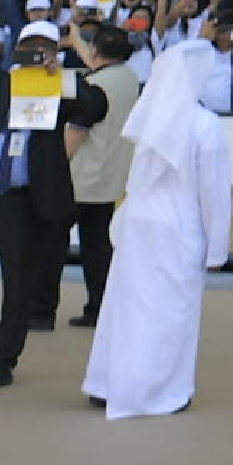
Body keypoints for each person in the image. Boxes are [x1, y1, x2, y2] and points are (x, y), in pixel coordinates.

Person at [0, 18, 99, 387]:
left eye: (45, 47)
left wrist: (63, 73)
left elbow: (94, 107)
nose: (36, 54)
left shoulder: (61, 88)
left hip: (25, 201)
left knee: (20, 286)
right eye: (31, 47)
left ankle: (2, 361)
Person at [83, 27, 233, 419]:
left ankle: (107, 382)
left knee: (127, 307)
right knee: (170, 314)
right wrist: (218, 247)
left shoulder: (149, 118)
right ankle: (159, 390)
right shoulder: (205, 124)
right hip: (178, 228)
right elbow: (214, 193)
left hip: (138, 224)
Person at [66, 17, 139, 326]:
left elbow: (76, 132)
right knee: (99, 250)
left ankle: (39, 309)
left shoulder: (94, 87)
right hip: (110, 177)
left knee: (48, 246)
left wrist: (53, 165)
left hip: (80, 177)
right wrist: (75, 38)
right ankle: (100, 308)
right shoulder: (129, 77)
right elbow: (97, 62)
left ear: (96, 51)